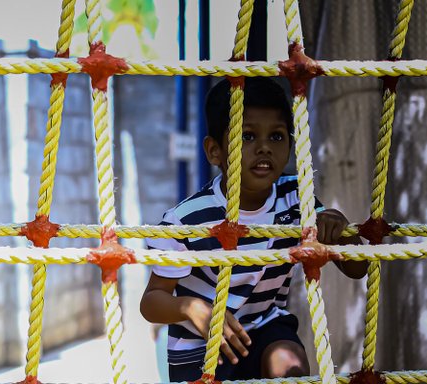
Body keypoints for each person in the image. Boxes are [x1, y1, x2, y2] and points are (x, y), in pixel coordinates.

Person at [140, 77, 367, 382]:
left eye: (276, 137)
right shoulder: (187, 220)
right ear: (214, 151)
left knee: (288, 363)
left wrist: (340, 231)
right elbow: (152, 301)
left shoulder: (297, 199)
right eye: (247, 137)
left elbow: (359, 267)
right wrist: (190, 307)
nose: (263, 148)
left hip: (265, 328)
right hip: (203, 343)